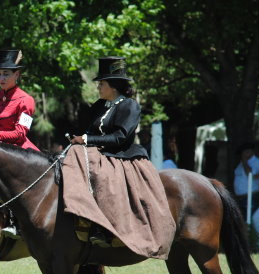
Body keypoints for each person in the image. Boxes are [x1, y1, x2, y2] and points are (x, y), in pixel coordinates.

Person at [62, 56, 175, 258]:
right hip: (99, 152)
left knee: (102, 176)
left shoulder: (129, 106)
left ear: (113, 86)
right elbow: (89, 131)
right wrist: (79, 139)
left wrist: (87, 139)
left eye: (101, 84)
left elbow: (121, 137)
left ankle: (105, 228)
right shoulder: (100, 106)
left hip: (121, 155)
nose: (98, 87)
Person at [0, 49, 39, 237]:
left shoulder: (26, 100)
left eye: (6, 74)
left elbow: (20, 134)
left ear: (17, 74)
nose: (1, 78)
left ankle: (14, 220)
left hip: (17, 149)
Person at [233, 142, 259, 221]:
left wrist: (244, 161)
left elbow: (250, 174)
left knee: (251, 219)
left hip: (252, 196)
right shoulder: (241, 163)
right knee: (243, 220)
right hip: (242, 198)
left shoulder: (257, 162)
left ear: (250, 152)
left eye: (245, 152)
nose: (243, 155)